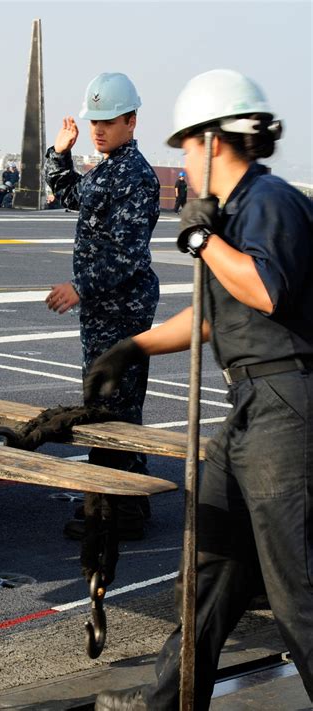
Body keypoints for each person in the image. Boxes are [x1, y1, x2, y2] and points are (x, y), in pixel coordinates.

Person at [85, 69, 313, 709]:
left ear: (217, 140)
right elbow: (212, 314)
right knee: (208, 580)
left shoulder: (270, 203)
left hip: (288, 407)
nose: (182, 160)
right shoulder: (231, 215)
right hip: (248, 412)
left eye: (187, 145)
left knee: (298, 595)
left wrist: (201, 238)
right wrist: (132, 347)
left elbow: (264, 289)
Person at [44, 72, 160, 539]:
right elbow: (71, 195)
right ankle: (119, 499)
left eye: (109, 121)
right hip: (101, 312)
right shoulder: (108, 169)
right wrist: (60, 153)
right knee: (108, 401)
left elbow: (127, 253)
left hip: (123, 310)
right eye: (95, 121)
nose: (99, 129)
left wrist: (80, 286)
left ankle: (119, 511)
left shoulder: (138, 176)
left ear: (132, 121)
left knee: (116, 406)